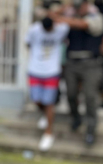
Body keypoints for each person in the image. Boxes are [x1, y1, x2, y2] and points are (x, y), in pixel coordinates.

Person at [50, 0, 103, 146]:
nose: (78, 9)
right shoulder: (70, 16)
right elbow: (50, 17)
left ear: (87, 5)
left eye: (80, 6)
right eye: (76, 6)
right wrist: (64, 8)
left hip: (91, 64)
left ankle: (91, 130)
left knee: (90, 97)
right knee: (71, 94)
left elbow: (83, 25)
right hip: (72, 63)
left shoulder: (96, 17)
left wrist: (63, 18)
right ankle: (76, 118)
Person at [26, 17, 69, 151]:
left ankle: (48, 133)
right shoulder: (34, 30)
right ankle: (45, 115)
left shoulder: (61, 29)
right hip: (35, 70)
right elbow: (27, 44)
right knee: (36, 100)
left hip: (52, 72)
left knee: (49, 103)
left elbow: (67, 24)